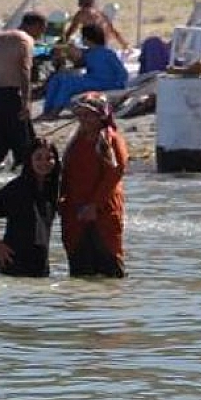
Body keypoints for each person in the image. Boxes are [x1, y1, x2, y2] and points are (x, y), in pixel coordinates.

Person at [58, 93, 128, 278]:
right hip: (75, 213)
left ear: (101, 116)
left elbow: (115, 173)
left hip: (103, 212)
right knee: (79, 269)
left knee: (110, 266)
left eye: (88, 115)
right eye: (80, 115)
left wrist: (94, 205)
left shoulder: (109, 140)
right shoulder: (75, 141)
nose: (83, 119)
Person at [0, 12, 47, 172]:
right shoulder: (25, 40)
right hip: (13, 98)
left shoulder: (1, 38)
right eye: (41, 30)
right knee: (26, 148)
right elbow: (24, 69)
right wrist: (26, 101)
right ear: (35, 26)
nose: (40, 35)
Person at [0, 138, 61, 278]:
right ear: (29, 160)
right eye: (38, 158)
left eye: (49, 158)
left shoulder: (54, 188)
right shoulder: (17, 188)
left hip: (40, 263)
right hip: (14, 262)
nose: (44, 163)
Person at [41, 23, 128, 118]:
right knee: (57, 78)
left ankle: (55, 111)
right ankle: (47, 110)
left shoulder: (108, 53)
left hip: (106, 83)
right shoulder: (89, 53)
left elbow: (122, 72)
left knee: (67, 82)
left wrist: (119, 87)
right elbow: (78, 63)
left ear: (86, 39)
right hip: (92, 80)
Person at [61, 0, 128, 50]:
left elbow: (70, 31)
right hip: (103, 46)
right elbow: (113, 31)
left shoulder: (81, 14)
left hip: (91, 46)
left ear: (80, 1)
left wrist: (61, 44)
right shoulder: (99, 13)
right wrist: (124, 44)